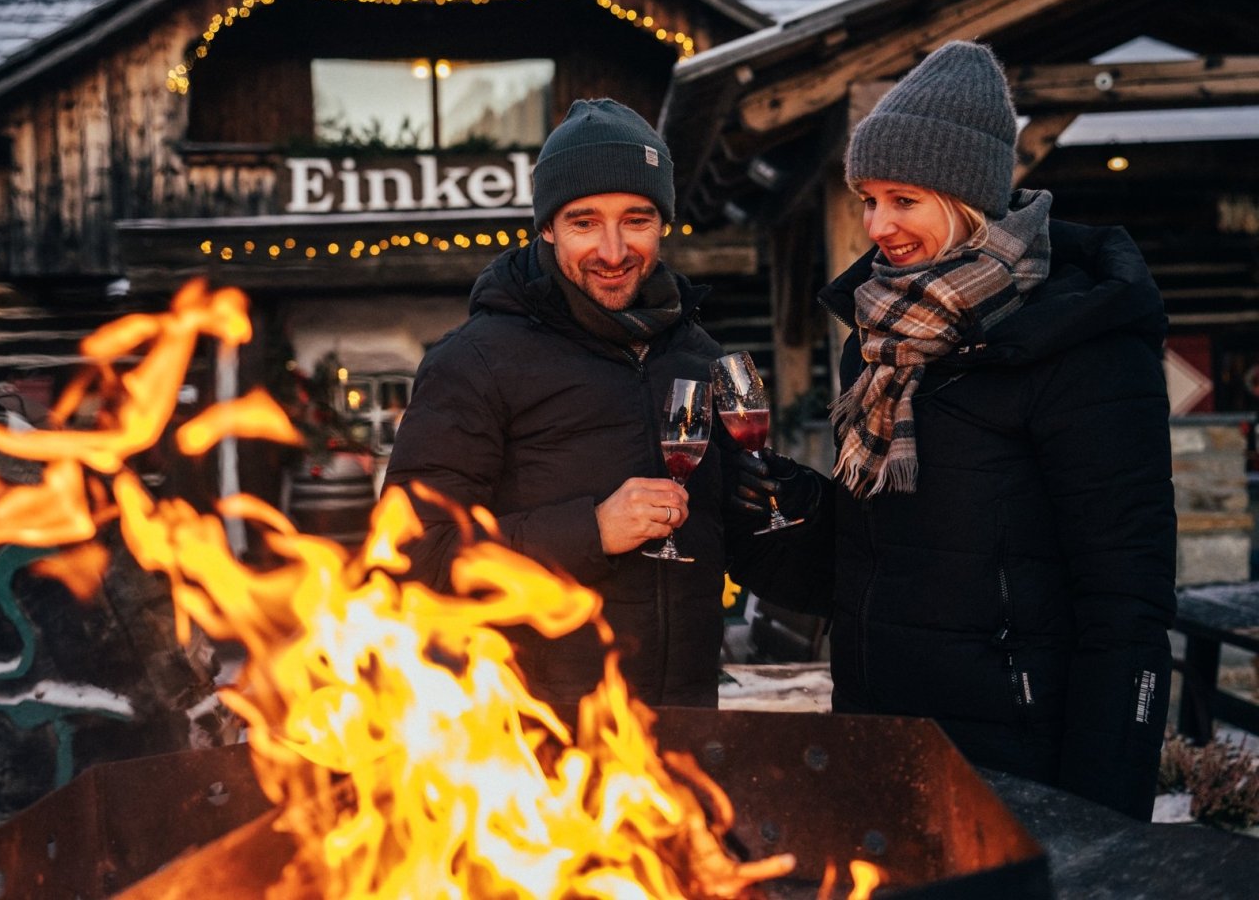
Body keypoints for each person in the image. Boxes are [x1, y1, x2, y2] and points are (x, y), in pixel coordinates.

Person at [801, 40, 1176, 820]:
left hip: (1018, 760)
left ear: (966, 197)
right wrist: (771, 511)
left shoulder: (1081, 345)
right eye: (867, 200)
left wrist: (1103, 812)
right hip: (882, 740)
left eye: (902, 200)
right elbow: (873, 557)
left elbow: (1125, 600)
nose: (877, 225)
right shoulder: (875, 343)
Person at [382, 98, 810, 707]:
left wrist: (791, 507)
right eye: (585, 222)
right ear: (548, 227)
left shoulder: (698, 357)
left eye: (636, 219)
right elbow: (413, 558)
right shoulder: (473, 364)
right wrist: (590, 530)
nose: (613, 251)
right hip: (541, 747)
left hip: (683, 729)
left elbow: (737, 543)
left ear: (662, 222)